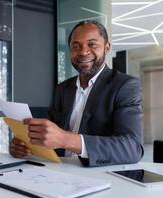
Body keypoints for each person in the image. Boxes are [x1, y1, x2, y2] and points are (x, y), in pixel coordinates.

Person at [9, 20, 144, 167]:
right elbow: (51, 138)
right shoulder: (62, 89)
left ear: (106, 47)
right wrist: (28, 146)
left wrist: (66, 139)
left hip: (99, 176)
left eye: (92, 44)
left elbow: (133, 148)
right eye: (76, 46)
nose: (83, 52)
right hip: (58, 171)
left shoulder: (125, 85)